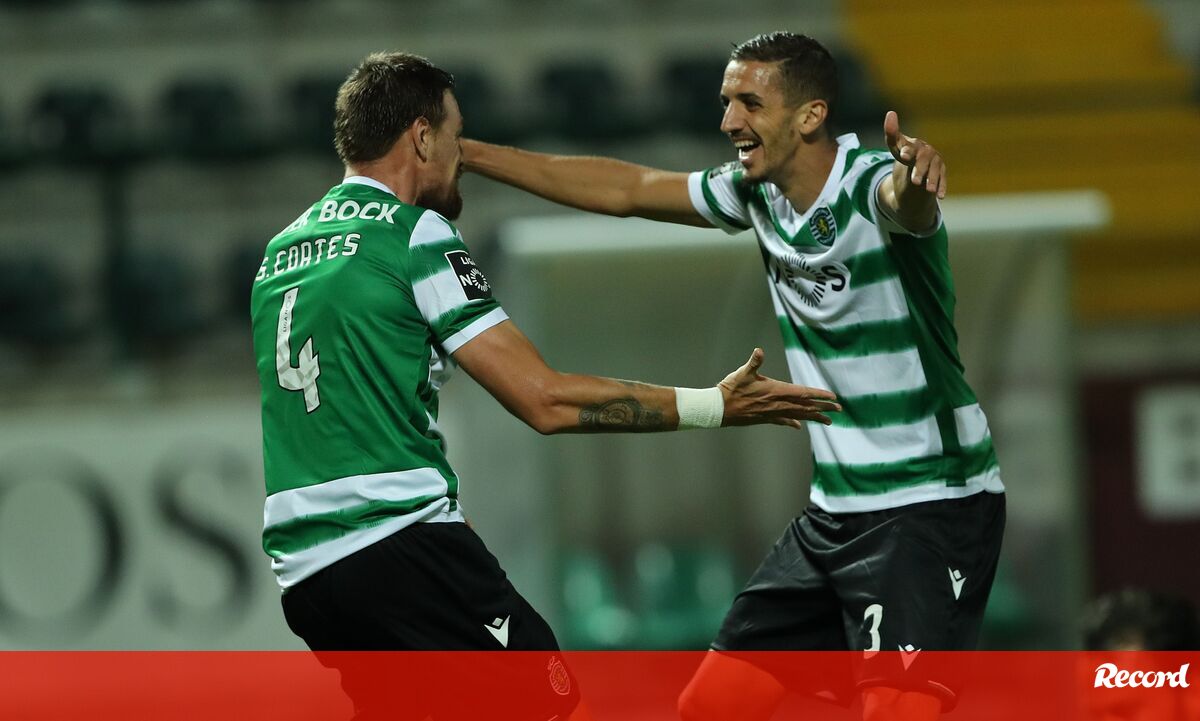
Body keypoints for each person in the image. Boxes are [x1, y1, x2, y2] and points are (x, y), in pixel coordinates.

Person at [249, 51, 840, 721]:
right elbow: (543, 398)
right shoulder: (414, 235)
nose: (461, 157)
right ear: (421, 137)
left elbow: (350, 412)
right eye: (455, 138)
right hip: (396, 544)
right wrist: (712, 405)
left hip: (308, 574)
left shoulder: (280, 253)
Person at [463, 31, 1005, 721]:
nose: (727, 121)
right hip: (835, 513)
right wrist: (472, 155)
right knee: (710, 706)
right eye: (726, 102)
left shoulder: (868, 183)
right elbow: (628, 189)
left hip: (930, 502)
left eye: (749, 102)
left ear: (810, 116)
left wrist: (917, 180)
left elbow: (905, 203)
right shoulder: (756, 194)